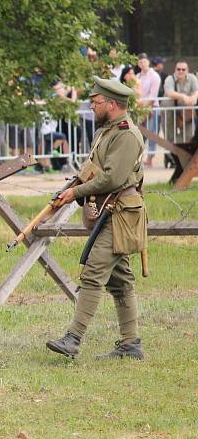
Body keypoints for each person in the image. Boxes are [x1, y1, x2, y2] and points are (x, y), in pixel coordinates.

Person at [46, 76, 146, 360]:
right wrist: (73, 188)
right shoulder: (107, 131)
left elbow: (112, 178)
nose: (91, 107)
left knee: (93, 273)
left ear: (112, 104)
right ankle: (131, 343)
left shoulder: (125, 134)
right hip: (110, 212)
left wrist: (77, 190)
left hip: (120, 214)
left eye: (96, 102)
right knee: (120, 281)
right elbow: (94, 169)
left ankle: (73, 339)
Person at [133, 54, 161, 166]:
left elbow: (153, 96)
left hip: (151, 109)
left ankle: (150, 158)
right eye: (140, 62)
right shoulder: (137, 76)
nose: (142, 64)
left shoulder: (154, 76)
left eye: (144, 61)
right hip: (139, 109)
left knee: (152, 134)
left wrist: (144, 109)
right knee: (139, 135)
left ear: (148, 62)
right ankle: (139, 158)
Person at [163, 60, 198, 143]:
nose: (181, 71)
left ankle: (177, 148)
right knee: (170, 136)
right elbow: (169, 93)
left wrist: (194, 97)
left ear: (187, 70)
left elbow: (196, 90)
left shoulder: (192, 78)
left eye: (183, 69)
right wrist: (183, 96)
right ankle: (173, 151)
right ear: (175, 70)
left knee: (189, 135)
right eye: (178, 69)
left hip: (186, 110)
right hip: (170, 110)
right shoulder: (169, 79)